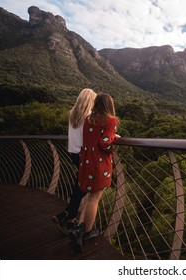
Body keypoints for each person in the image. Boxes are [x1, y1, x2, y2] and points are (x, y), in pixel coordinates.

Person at [71, 93, 119, 253]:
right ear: (109, 105)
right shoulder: (111, 120)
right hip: (99, 162)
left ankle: (79, 228)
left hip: (86, 160)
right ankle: (87, 232)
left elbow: (92, 137)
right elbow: (104, 142)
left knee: (89, 195)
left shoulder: (88, 119)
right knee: (95, 198)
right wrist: (112, 140)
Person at [52, 88, 97, 234]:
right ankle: (69, 216)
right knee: (87, 186)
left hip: (73, 153)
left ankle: (68, 216)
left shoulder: (73, 113)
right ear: (91, 101)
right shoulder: (89, 116)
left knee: (80, 183)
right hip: (84, 155)